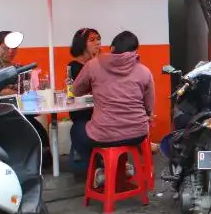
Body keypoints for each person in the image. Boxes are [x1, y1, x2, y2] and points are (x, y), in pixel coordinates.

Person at [72, 31, 155, 185]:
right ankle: (120, 167)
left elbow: (76, 90)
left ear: (112, 48)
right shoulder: (144, 71)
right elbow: (149, 107)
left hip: (104, 134)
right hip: (137, 133)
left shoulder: (93, 65)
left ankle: (101, 168)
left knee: (77, 129)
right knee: (114, 135)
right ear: (135, 51)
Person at [66, 27, 101, 173]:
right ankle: (97, 167)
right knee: (79, 128)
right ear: (82, 44)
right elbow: (78, 91)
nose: (97, 43)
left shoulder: (100, 63)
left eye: (98, 39)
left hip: (101, 111)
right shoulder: (73, 67)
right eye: (92, 40)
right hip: (84, 112)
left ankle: (102, 166)